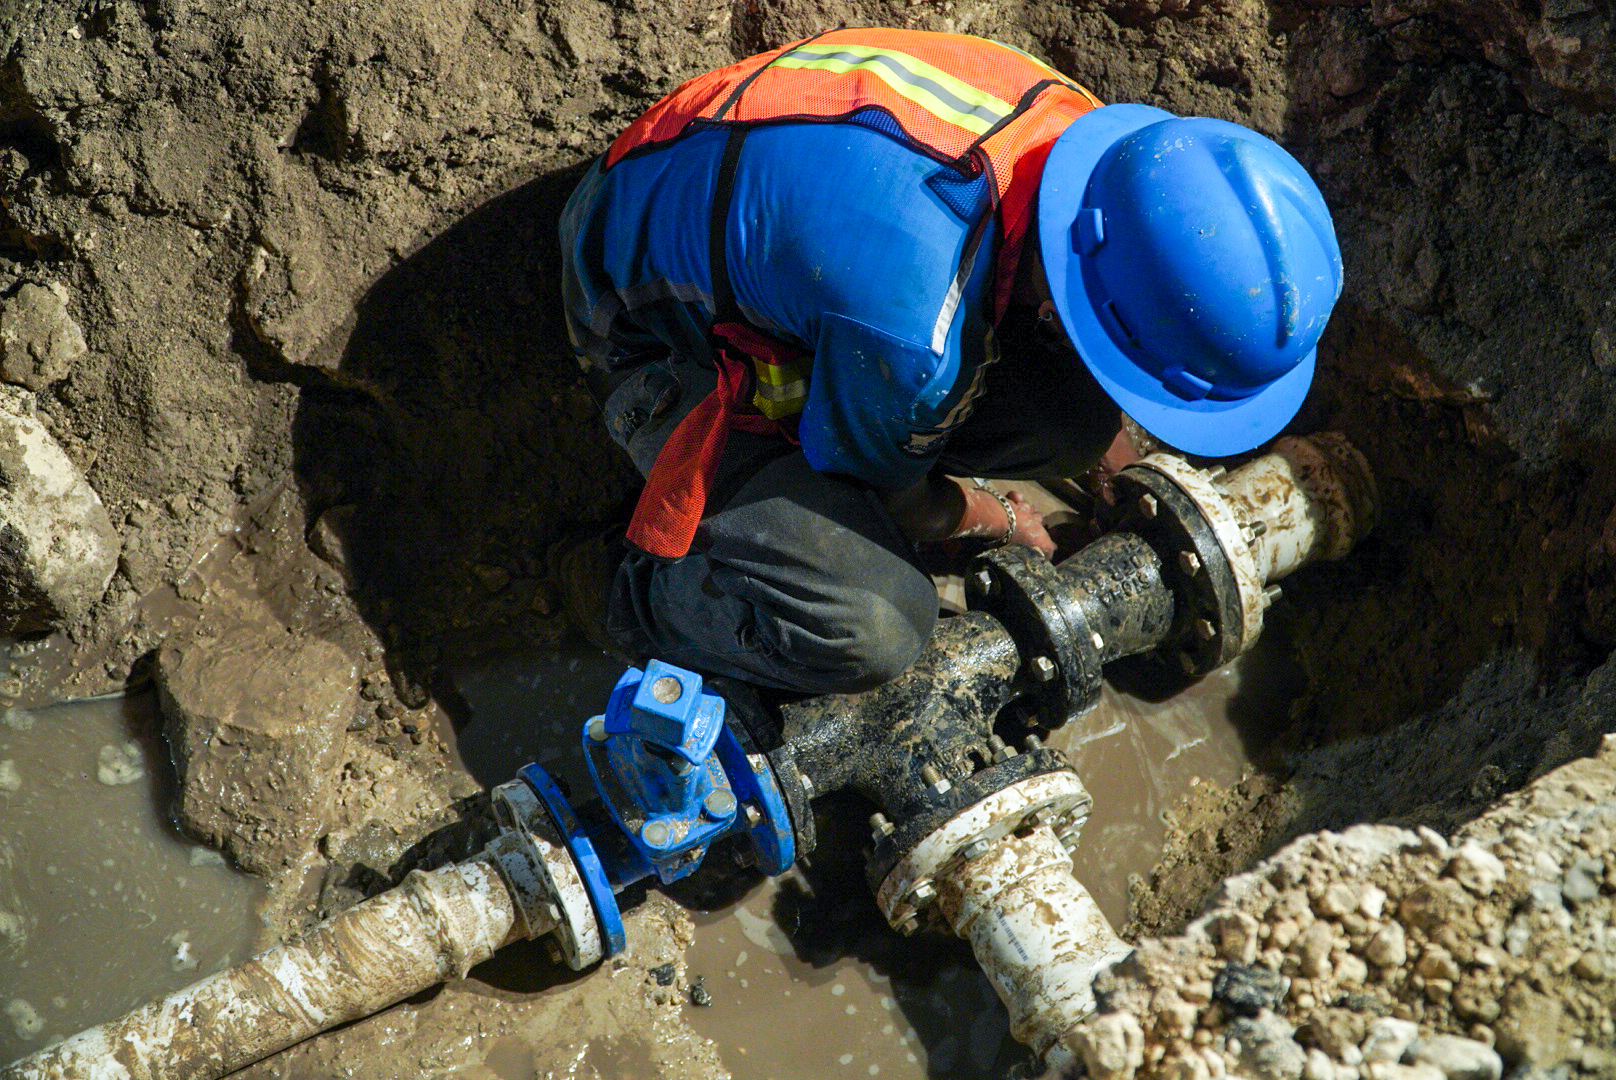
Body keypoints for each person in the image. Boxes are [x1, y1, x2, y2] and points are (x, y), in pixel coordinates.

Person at [558, 28, 1342, 695]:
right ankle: (631, 597)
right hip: (648, 337)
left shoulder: (1097, 150)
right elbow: (895, 493)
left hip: (718, 161)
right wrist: (1001, 519)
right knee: (878, 624)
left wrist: (1115, 471)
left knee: (1071, 426)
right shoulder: (917, 338)